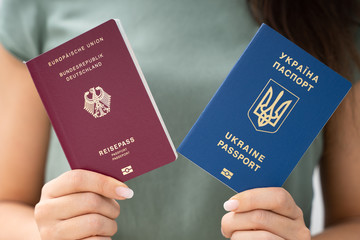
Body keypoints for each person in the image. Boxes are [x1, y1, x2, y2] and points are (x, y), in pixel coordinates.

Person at [0, 0, 359, 239]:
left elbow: (353, 218)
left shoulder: (334, 10)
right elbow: (6, 204)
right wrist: (44, 233)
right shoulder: (39, 5)